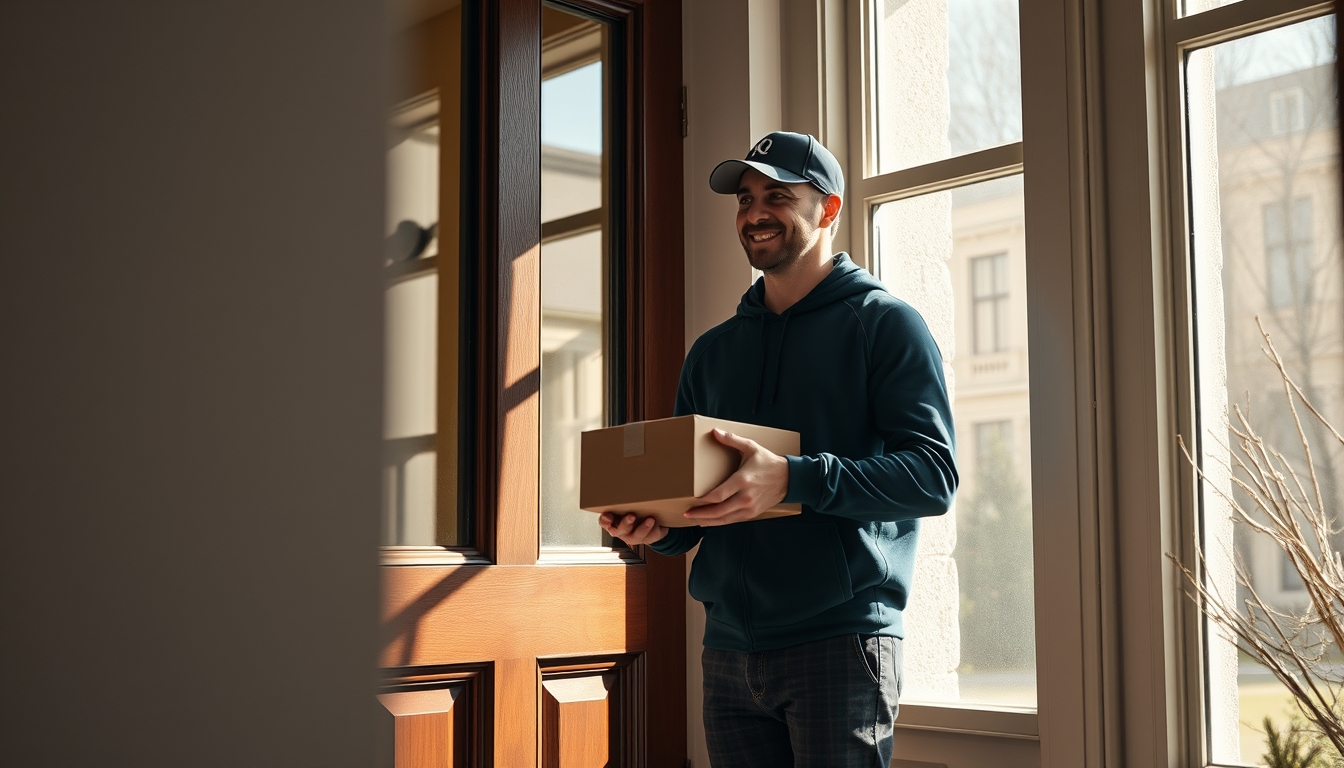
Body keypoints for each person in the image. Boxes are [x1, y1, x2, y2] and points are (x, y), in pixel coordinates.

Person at [598, 131, 957, 767]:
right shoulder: (713, 351)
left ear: (829, 209)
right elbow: (699, 511)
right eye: (745, 199)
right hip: (728, 649)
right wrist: (655, 528)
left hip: (840, 642)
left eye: (778, 196)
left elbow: (932, 476)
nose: (755, 213)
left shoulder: (884, 325)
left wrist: (793, 478)